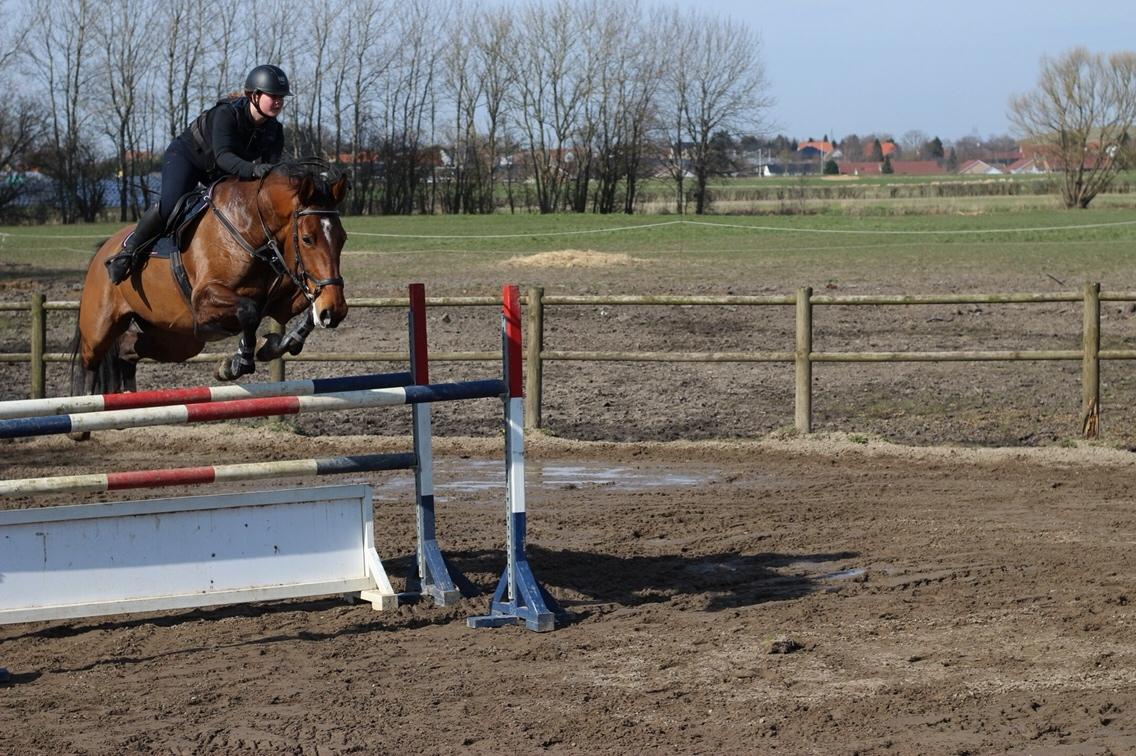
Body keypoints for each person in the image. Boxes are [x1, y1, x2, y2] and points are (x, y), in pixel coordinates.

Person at [105, 64, 291, 284]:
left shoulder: (274, 131)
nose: (278, 101)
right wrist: (253, 169)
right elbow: (224, 156)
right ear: (255, 96)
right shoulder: (227, 114)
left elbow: (267, 177)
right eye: (273, 96)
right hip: (188, 157)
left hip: (221, 171)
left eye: (282, 97)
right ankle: (129, 250)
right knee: (171, 205)